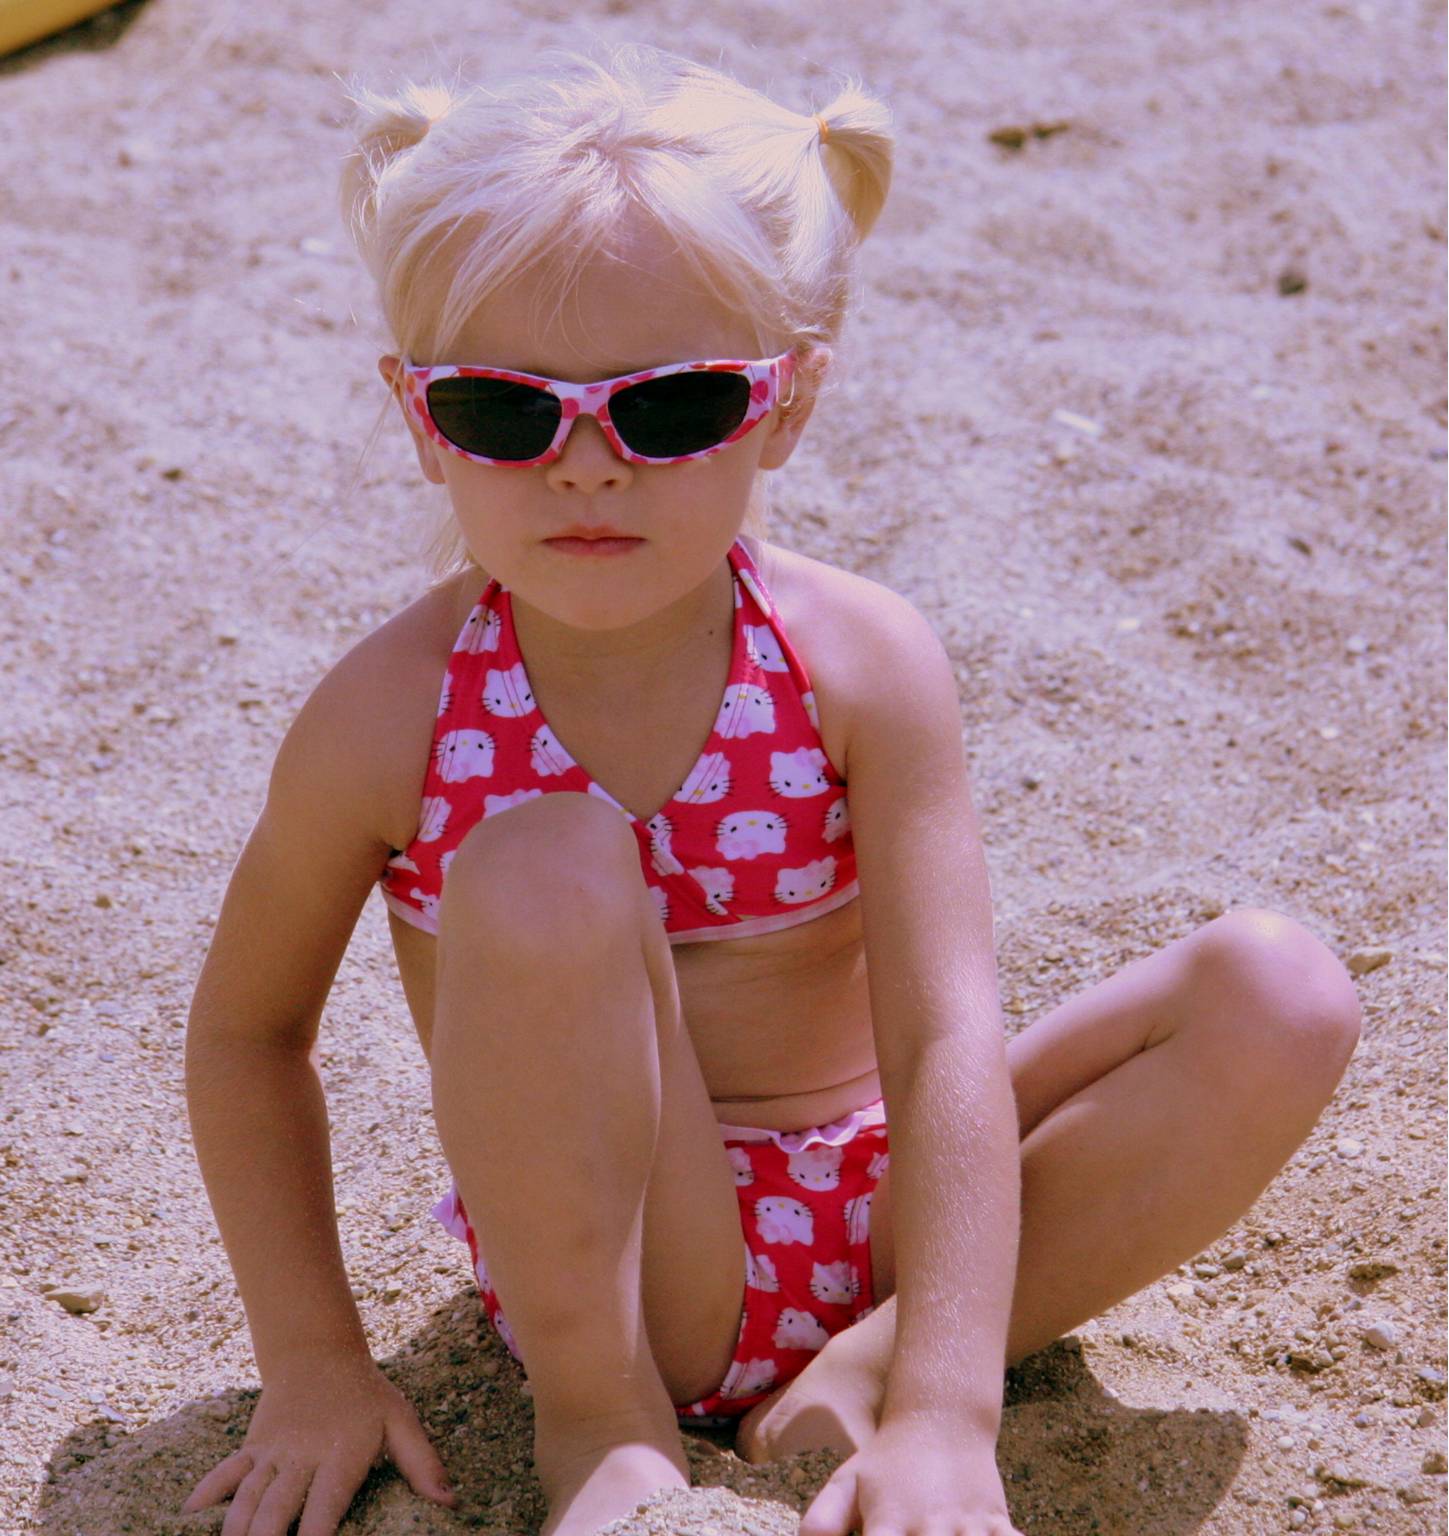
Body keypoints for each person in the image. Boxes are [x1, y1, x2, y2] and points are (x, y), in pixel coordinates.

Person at [179, 39, 1363, 1536]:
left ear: (786, 404)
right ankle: (598, 1432)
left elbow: (942, 1037)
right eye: (504, 409)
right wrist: (311, 1365)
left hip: (892, 1229)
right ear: (420, 418)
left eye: (670, 410)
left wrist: (942, 1394)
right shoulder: (392, 714)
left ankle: (862, 1378)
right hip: (619, 1269)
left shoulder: (855, 660)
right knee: (542, 858)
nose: (589, 467)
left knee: (1280, 989)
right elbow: (243, 1034)